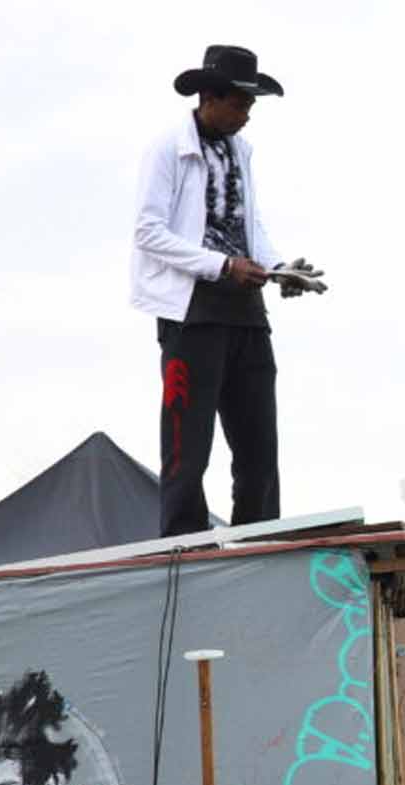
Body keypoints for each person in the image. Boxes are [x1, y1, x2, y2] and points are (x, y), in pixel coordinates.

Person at [132, 44, 325, 538]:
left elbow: (246, 222)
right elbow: (149, 232)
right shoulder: (167, 149)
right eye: (239, 105)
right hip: (191, 310)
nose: (245, 116)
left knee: (259, 443)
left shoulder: (241, 151)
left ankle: (258, 538)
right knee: (187, 444)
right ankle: (185, 547)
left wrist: (279, 268)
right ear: (209, 98)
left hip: (246, 311)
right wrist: (222, 265)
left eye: (250, 107)